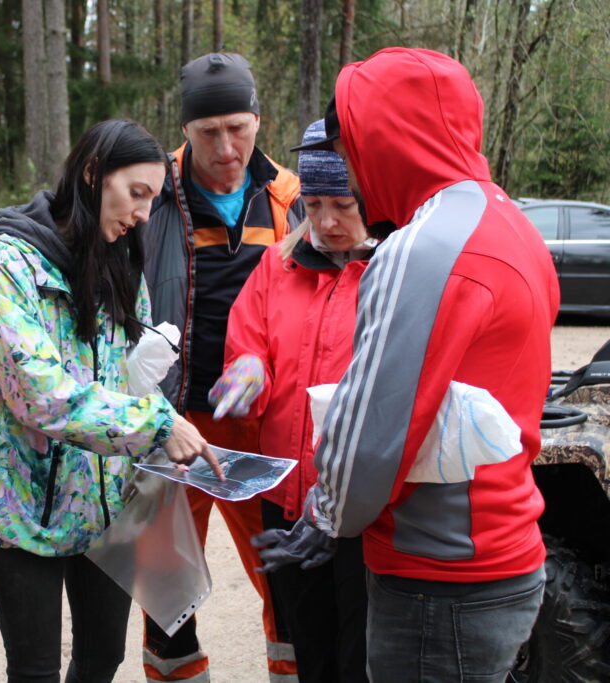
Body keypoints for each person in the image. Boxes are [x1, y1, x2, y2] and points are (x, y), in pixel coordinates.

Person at [255, 47, 560, 682]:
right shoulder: (507, 221)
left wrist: (323, 513)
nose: (350, 169)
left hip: (436, 574)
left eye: (350, 147)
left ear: (382, 138)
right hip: (502, 551)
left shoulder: (424, 247)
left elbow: (376, 431)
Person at [0, 118, 222, 683]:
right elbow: (43, 397)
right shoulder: (6, 262)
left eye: (152, 201)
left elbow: (125, 378)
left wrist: (168, 415)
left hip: (106, 505)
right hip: (21, 507)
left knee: (103, 659)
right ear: (91, 173)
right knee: (35, 670)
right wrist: (157, 424)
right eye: (136, 194)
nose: (141, 214)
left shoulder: (120, 262)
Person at [141, 52, 303, 682]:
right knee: (166, 588)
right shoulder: (153, 193)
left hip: (259, 424)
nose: (226, 146)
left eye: (238, 126)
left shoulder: (287, 196)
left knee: (284, 574)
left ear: (258, 120)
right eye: (208, 132)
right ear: (185, 130)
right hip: (170, 421)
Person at [210, 119, 375, 682]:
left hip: (361, 510)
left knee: (362, 655)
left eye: (343, 205)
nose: (326, 222)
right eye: (313, 203)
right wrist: (247, 373)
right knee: (308, 651)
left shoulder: (390, 271)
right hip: (287, 500)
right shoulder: (277, 265)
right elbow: (248, 341)